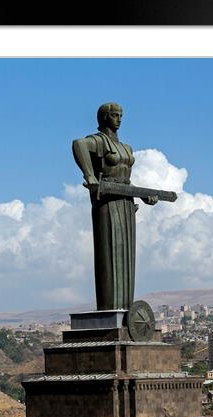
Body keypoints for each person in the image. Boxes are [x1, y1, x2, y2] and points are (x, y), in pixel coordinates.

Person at [72, 102, 157, 311]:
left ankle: (126, 311)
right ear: (103, 117)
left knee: (127, 257)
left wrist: (144, 195)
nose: (119, 119)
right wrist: (90, 175)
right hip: (106, 202)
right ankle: (110, 309)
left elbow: (125, 181)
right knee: (109, 255)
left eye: (121, 115)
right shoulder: (98, 141)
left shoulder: (126, 147)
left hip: (127, 203)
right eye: (114, 115)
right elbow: (78, 144)